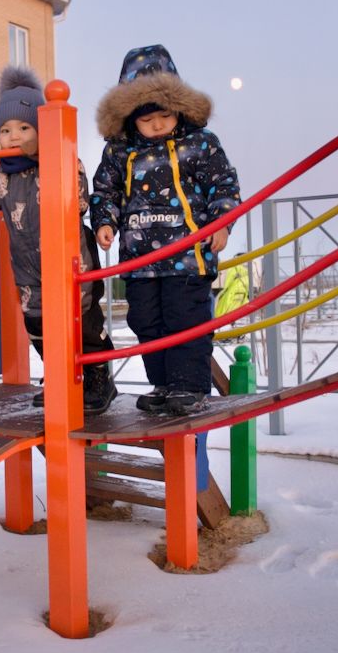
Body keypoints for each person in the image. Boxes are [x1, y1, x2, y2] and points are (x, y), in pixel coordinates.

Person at [90, 45, 241, 415]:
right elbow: (105, 190)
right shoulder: (120, 152)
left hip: (188, 257)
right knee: (145, 321)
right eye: (147, 119)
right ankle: (162, 383)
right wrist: (105, 221)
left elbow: (223, 185)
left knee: (184, 319)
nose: (157, 125)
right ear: (130, 118)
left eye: (164, 115)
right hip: (140, 261)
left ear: (179, 108)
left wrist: (221, 223)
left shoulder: (199, 144)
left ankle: (188, 386)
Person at [0, 67, 118, 415]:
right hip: (27, 268)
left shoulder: (60, 160)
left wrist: (45, 156)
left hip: (71, 262)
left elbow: (80, 200)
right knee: (37, 325)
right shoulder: (4, 175)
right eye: (5, 130)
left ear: (41, 130)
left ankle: (99, 379)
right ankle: (59, 377)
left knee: (84, 323)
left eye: (24, 128)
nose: (14, 136)